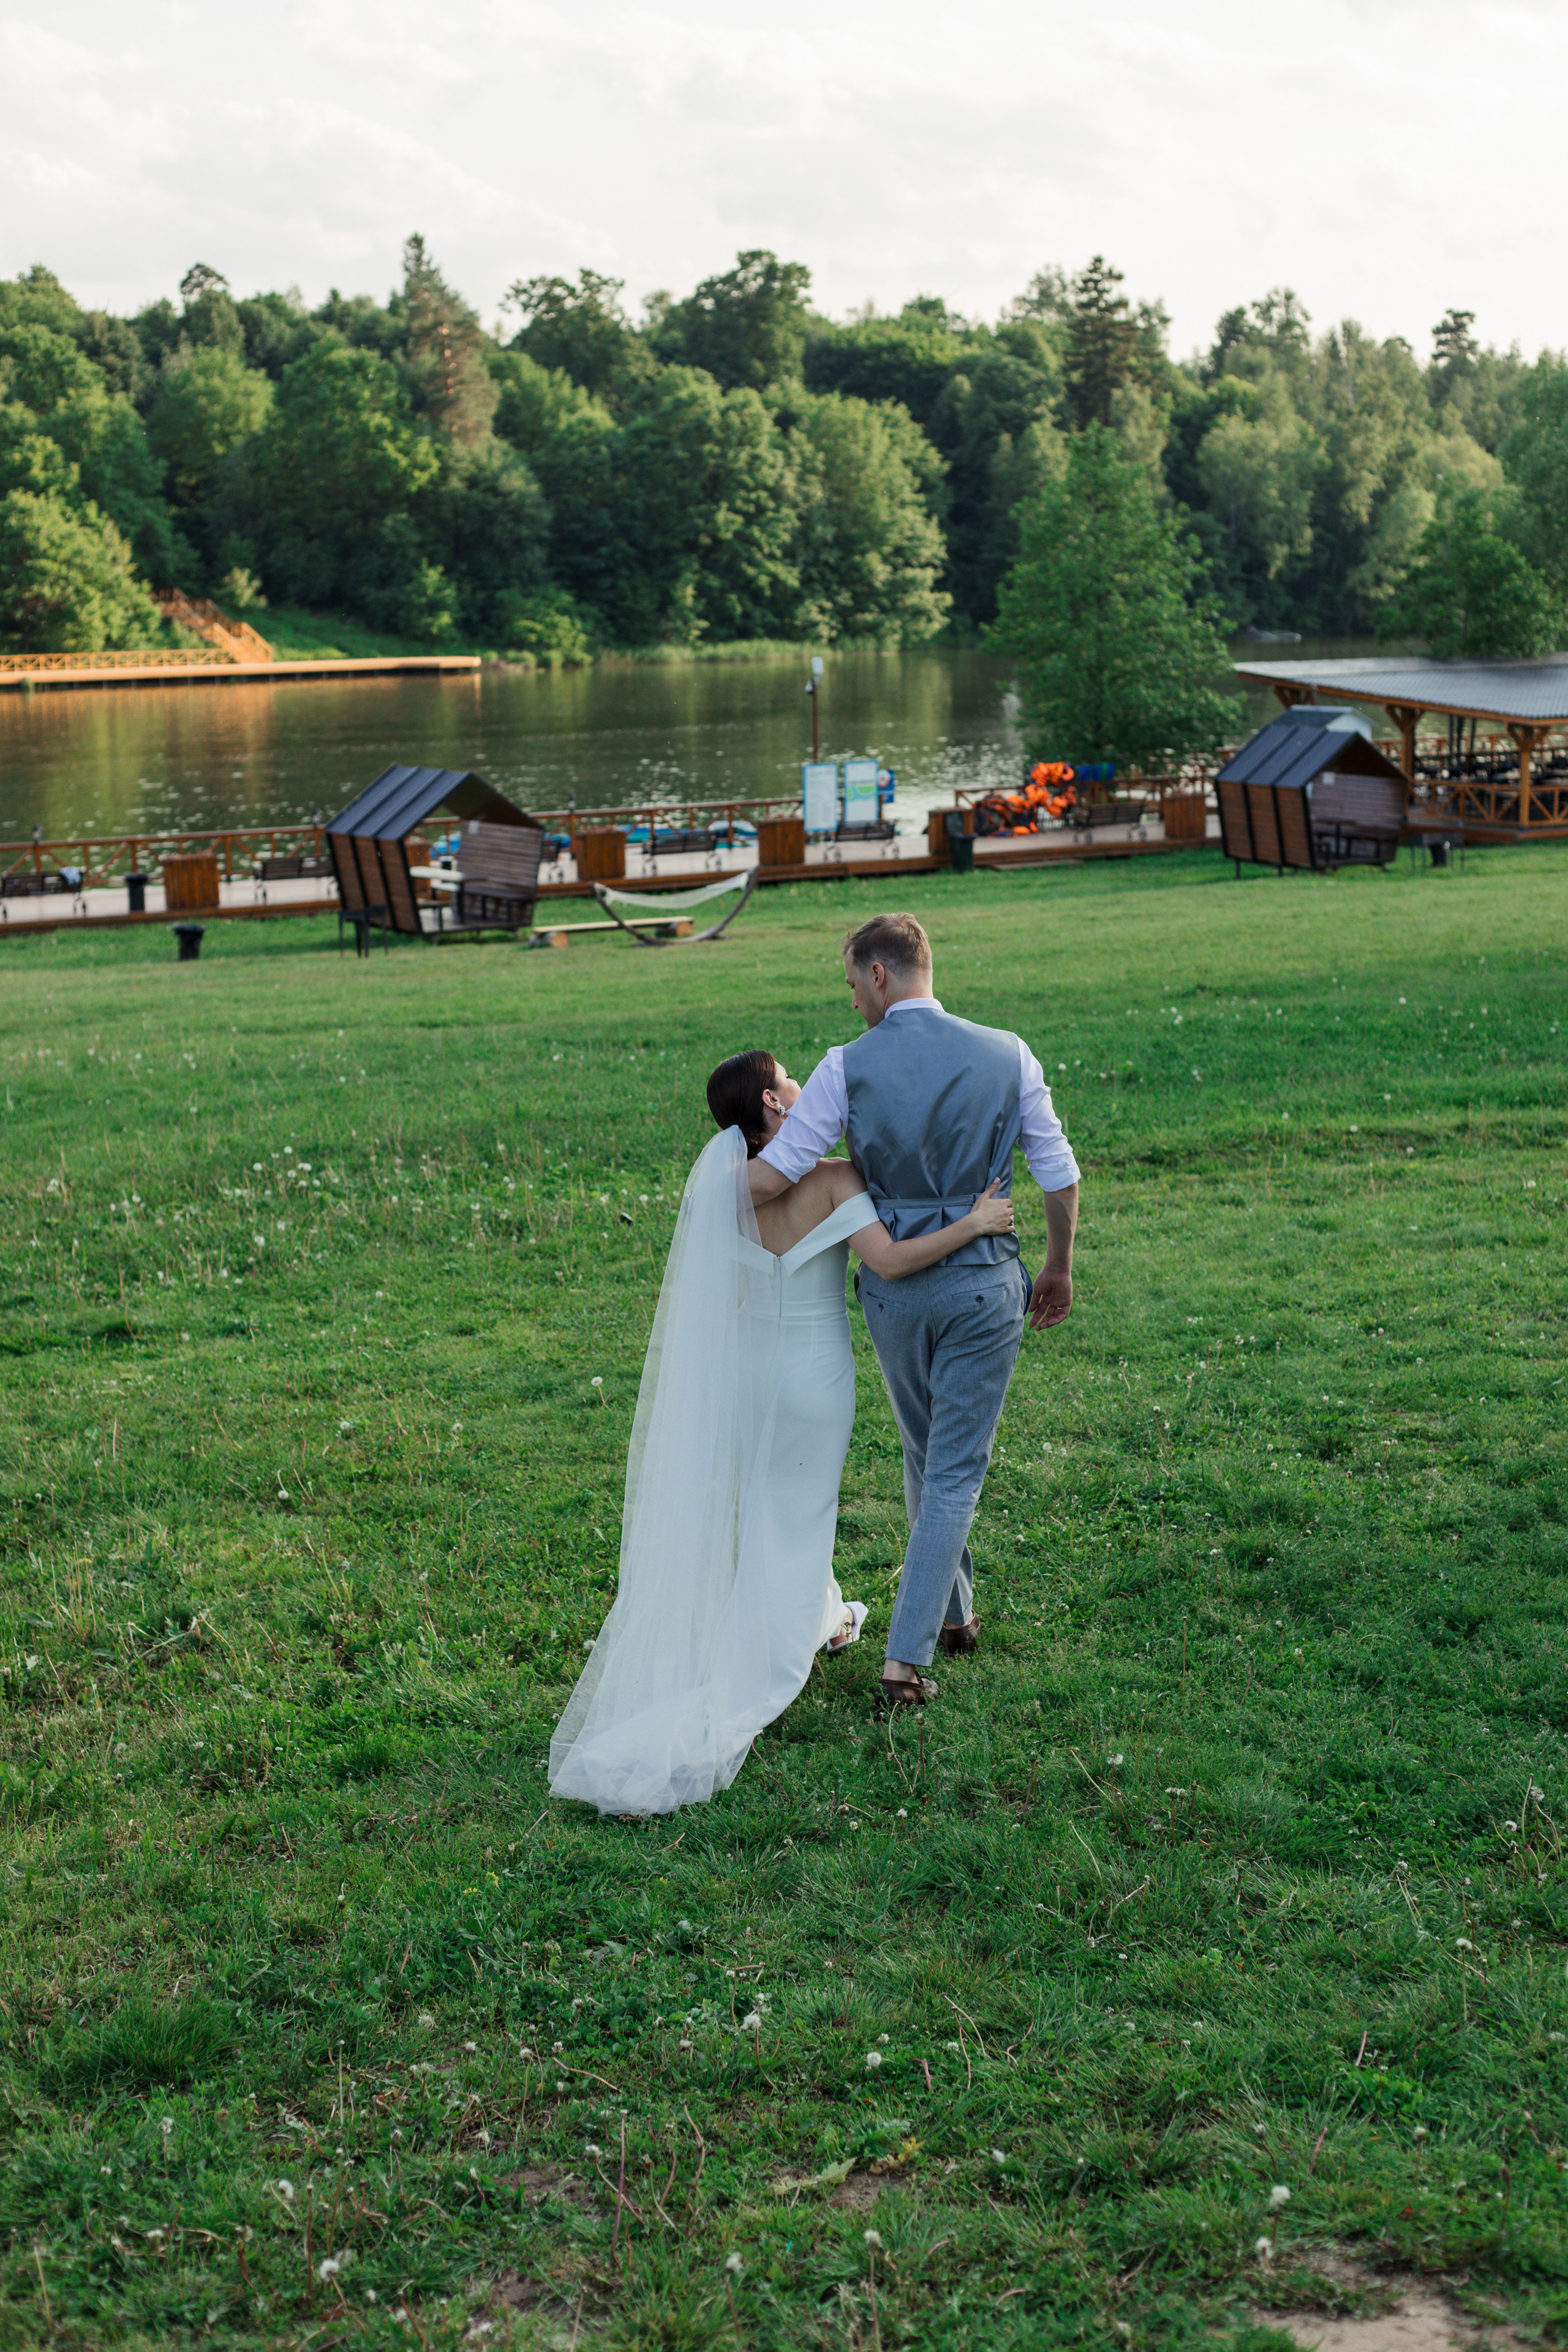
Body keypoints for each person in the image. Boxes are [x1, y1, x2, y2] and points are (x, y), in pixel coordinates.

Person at [548, 1049, 1016, 1815]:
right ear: (773, 1101)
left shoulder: (718, 1189)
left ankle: (830, 1616)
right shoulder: (832, 1179)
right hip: (812, 1378)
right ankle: (773, 1650)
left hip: (749, 1373)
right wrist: (974, 1222)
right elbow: (891, 1262)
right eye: (790, 1077)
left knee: (772, 1508)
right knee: (801, 1515)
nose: (801, 1084)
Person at [748, 912, 1079, 1707]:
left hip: (894, 1290)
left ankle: (956, 1616)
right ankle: (904, 1662)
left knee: (926, 1454)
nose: (853, 1003)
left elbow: (779, 1172)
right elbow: (1059, 1172)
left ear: (880, 974)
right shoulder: (1009, 1052)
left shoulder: (844, 1066)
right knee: (953, 1469)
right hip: (981, 1283)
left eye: (852, 985)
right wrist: (1059, 1265)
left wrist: (715, 1181)